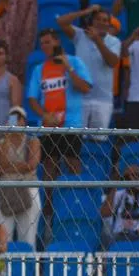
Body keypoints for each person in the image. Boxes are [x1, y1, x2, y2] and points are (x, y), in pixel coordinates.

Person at [27, 28, 92, 180]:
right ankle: (48, 197)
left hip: (71, 124)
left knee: (72, 163)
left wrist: (68, 67)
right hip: (48, 125)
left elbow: (85, 88)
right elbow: (32, 99)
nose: (44, 46)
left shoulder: (75, 62)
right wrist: (44, 115)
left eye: (48, 42)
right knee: (49, 165)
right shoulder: (39, 69)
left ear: (57, 41)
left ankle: (75, 194)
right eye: (42, 43)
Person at [58, 5, 122, 130]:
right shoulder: (80, 35)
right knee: (76, 138)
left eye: (105, 20)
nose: (101, 22)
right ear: (91, 21)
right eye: (98, 19)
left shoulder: (114, 41)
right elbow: (61, 22)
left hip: (102, 100)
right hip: (80, 98)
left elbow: (112, 62)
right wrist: (86, 11)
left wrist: (97, 40)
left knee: (98, 140)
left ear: (108, 25)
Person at [0, 105, 42, 247]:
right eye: (12, 118)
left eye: (18, 118)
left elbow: (31, 165)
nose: (15, 121)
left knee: (28, 238)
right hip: (5, 190)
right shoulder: (1, 142)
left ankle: (28, 261)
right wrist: (7, 136)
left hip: (27, 188)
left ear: (24, 121)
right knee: (3, 238)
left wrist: (5, 169)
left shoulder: (32, 140)